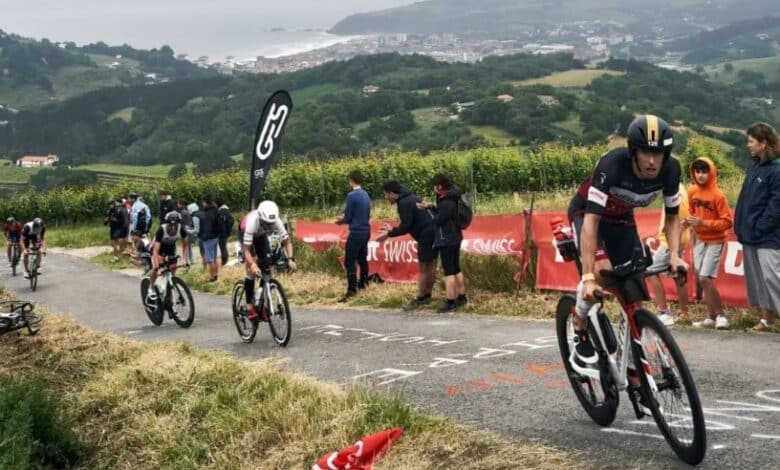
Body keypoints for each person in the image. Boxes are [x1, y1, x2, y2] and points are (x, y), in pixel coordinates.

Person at [567, 115, 686, 371]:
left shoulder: (671, 170)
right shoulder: (612, 165)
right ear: (633, 152)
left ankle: (633, 370)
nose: (653, 161)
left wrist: (675, 254)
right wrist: (588, 276)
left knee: (633, 294)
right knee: (600, 272)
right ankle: (579, 321)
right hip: (588, 214)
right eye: (645, 153)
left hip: (621, 219)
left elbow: (674, 218)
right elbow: (590, 222)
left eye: (659, 153)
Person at [734, 122, 780, 332]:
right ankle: (767, 319)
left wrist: (760, 227)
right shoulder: (753, 166)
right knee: (759, 280)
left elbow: (776, 205)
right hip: (750, 233)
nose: (748, 145)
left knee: (772, 277)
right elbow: (746, 199)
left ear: (763, 143)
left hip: (768, 235)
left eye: (751, 141)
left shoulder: (776, 169)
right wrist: (743, 226)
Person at [687, 158, 733, 330]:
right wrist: (689, 222)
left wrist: (704, 223)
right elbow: (692, 214)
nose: (700, 175)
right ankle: (711, 316)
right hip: (699, 239)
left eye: (704, 171)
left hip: (715, 240)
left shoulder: (718, 195)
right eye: (697, 171)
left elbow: (727, 222)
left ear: (711, 172)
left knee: (705, 277)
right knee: (702, 278)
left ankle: (721, 316)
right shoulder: (692, 191)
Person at [377, 181, 437, 310]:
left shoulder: (403, 203)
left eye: (386, 195)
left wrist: (389, 233)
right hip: (433, 233)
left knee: (424, 267)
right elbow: (410, 223)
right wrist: (392, 229)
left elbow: (406, 227)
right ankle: (427, 295)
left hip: (426, 236)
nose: (385, 198)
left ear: (392, 194)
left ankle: (421, 298)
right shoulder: (413, 198)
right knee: (430, 266)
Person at [417, 173, 466, 313]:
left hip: (446, 239)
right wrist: (431, 206)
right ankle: (461, 297)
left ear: (439, 187)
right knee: (456, 268)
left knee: (448, 271)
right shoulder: (452, 197)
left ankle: (450, 301)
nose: (433, 189)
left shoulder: (446, 202)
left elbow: (439, 220)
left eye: (434, 186)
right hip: (455, 236)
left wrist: (430, 214)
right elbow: (442, 213)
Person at [241, 200, 297, 321]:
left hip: (260, 236)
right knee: (251, 269)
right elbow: (246, 250)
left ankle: (263, 301)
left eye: (271, 224)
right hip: (247, 232)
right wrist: (253, 264)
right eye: (266, 224)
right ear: (261, 219)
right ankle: (249, 306)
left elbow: (287, 242)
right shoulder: (252, 223)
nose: (269, 227)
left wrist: (290, 259)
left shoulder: (276, 222)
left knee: (268, 263)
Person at [645, 183, 691, 326]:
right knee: (678, 276)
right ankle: (684, 314)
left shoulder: (677, 194)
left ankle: (664, 312)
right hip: (678, 240)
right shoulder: (677, 189)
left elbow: (679, 220)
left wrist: (673, 248)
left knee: (650, 272)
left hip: (670, 242)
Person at [335, 170, 371, 302]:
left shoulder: (351, 196)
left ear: (351, 181)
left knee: (349, 261)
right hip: (366, 230)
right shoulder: (366, 194)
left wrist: (340, 220)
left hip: (355, 232)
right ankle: (363, 283)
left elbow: (348, 217)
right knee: (363, 259)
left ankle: (351, 290)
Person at [145, 212, 189, 307]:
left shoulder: (181, 229)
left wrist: (185, 259)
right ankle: (151, 288)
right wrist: (158, 259)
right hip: (158, 249)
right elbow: (156, 250)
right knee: (156, 268)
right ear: (167, 223)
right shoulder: (162, 229)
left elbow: (185, 245)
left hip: (170, 250)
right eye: (170, 225)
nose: (173, 227)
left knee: (171, 275)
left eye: (175, 225)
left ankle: (168, 295)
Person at [198, 195, 220, 282]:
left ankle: (212, 277)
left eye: (203, 202)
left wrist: (204, 237)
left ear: (206, 202)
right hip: (215, 236)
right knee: (215, 258)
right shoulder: (216, 210)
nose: (202, 204)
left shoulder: (208, 213)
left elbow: (208, 226)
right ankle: (216, 275)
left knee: (210, 260)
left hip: (209, 238)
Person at [216, 197, 235, 266]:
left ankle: (224, 261)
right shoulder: (225, 209)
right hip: (224, 232)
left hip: (222, 232)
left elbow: (230, 221)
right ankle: (224, 260)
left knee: (222, 247)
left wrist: (225, 229)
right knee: (223, 246)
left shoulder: (222, 211)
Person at [177, 199, 194, 266]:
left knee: (185, 246)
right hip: (188, 229)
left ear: (182, 205)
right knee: (188, 246)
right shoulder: (187, 211)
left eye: (178, 204)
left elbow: (181, 221)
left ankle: (187, 260)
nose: (177, 205)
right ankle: (190, 259)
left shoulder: (183, 212)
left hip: (185, 230)